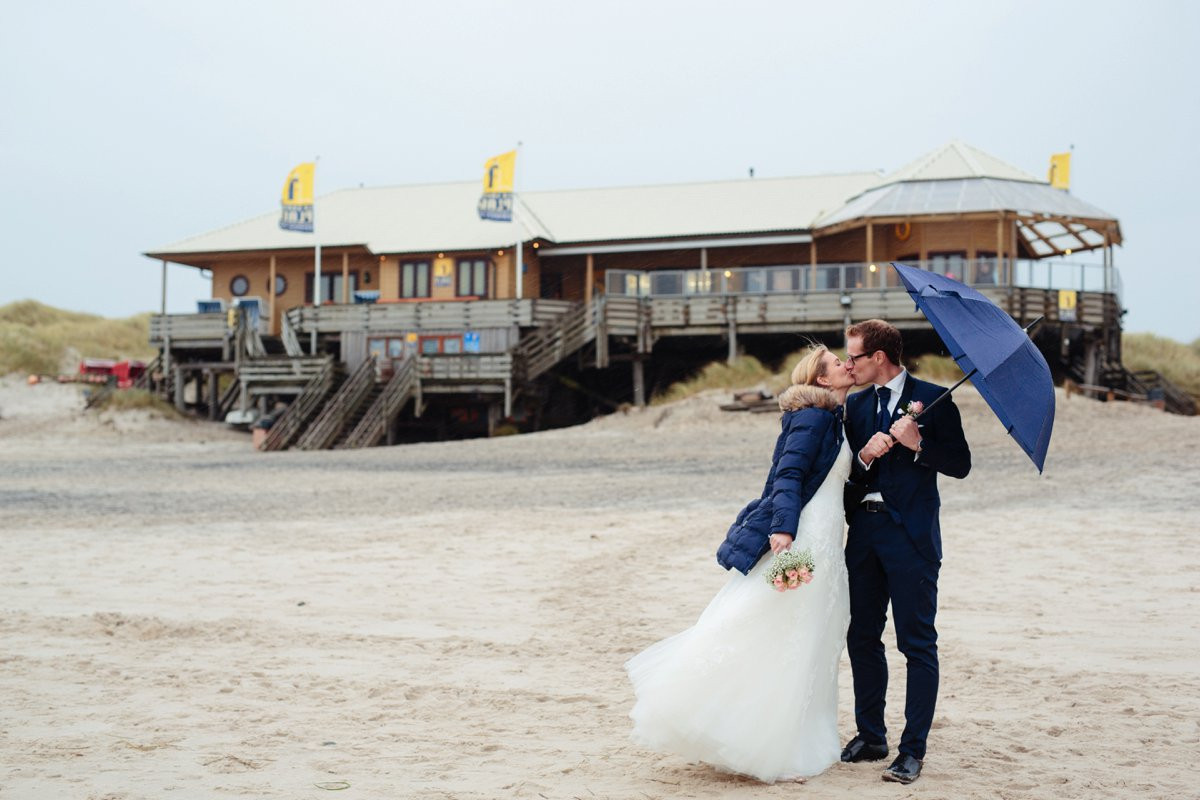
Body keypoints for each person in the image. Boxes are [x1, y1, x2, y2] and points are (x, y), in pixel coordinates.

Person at [625, 345, 856, 783]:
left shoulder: (837, 419)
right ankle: (738, 728)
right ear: (823, 380)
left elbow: (828, 476)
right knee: (775, 625)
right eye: (838, 362)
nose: (848, 364)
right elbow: (787, 476)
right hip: (803, 536)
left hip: (827, 536)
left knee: (813, 635)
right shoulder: (814, 417)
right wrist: (785, 529)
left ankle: (800, 735)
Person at [839, 319, 971, 784]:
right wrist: (864, 458)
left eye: (853, 356)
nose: (848, 364)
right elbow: (843, 479)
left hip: (912, 538)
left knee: (917, 643)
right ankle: (871, 735)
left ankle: (912, 750)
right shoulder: (853, 407)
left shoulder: (934, 397)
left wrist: (920, 446)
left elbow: (961, 465)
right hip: (864, 537)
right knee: (862, 637)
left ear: (879, 357)